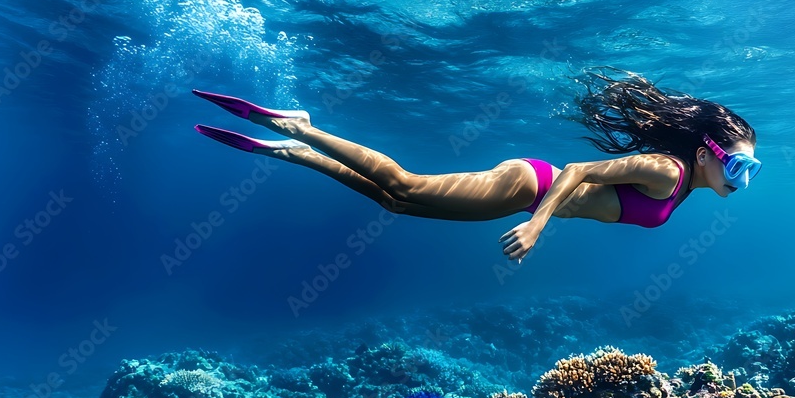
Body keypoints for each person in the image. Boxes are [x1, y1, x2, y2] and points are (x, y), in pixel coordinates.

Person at [191, 69, 760, 263]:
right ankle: (301, 126)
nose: (743, 180)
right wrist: (539, 224)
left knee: (395, 202)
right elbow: (580, 171)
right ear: (708, 151)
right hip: (528, 185)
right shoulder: (667, 171)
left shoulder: (685, 186)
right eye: (739, 166)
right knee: (404, 183)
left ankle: (295, 153)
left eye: (751, 171)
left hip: (524, 195)